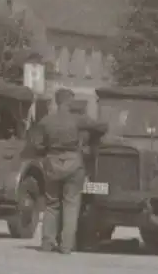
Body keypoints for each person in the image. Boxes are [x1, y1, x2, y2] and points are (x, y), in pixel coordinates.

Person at [32, 88, 108, 254]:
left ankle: (47, 243)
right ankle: (66, 246)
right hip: (74, 163)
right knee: (71, 204)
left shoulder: (46, 121)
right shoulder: (78, 120)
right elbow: (101, 127)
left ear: (56, 101)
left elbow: (37, 145)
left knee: (51, 205)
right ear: (69, 102)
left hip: (52, 163)